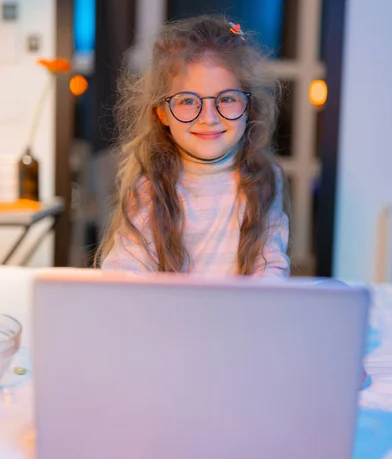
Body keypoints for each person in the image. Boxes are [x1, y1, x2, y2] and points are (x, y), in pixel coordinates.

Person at [96, 15, 290, 277]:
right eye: (188, 101)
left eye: (227, 98)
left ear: (249, 107)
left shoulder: (264, 182)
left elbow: (270, 269)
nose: (209, 118)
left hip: (240, 317)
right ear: (161, 113)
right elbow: (123, 274)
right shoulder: (150, 187)